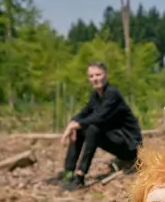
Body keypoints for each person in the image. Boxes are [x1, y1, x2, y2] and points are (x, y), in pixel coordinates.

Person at [55, 62, 141, 192]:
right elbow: (84, 112)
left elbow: (100, 117)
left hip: (129, 145)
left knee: (93, 128)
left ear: (105, 75)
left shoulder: (112, 94)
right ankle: (69, 172)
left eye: (98, 74)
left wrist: (76, 125)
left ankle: (80, 176)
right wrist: (72, 124)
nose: (95, 79)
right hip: (115, 138)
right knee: (81, 129)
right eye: (91, 76)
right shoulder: (96, 95)